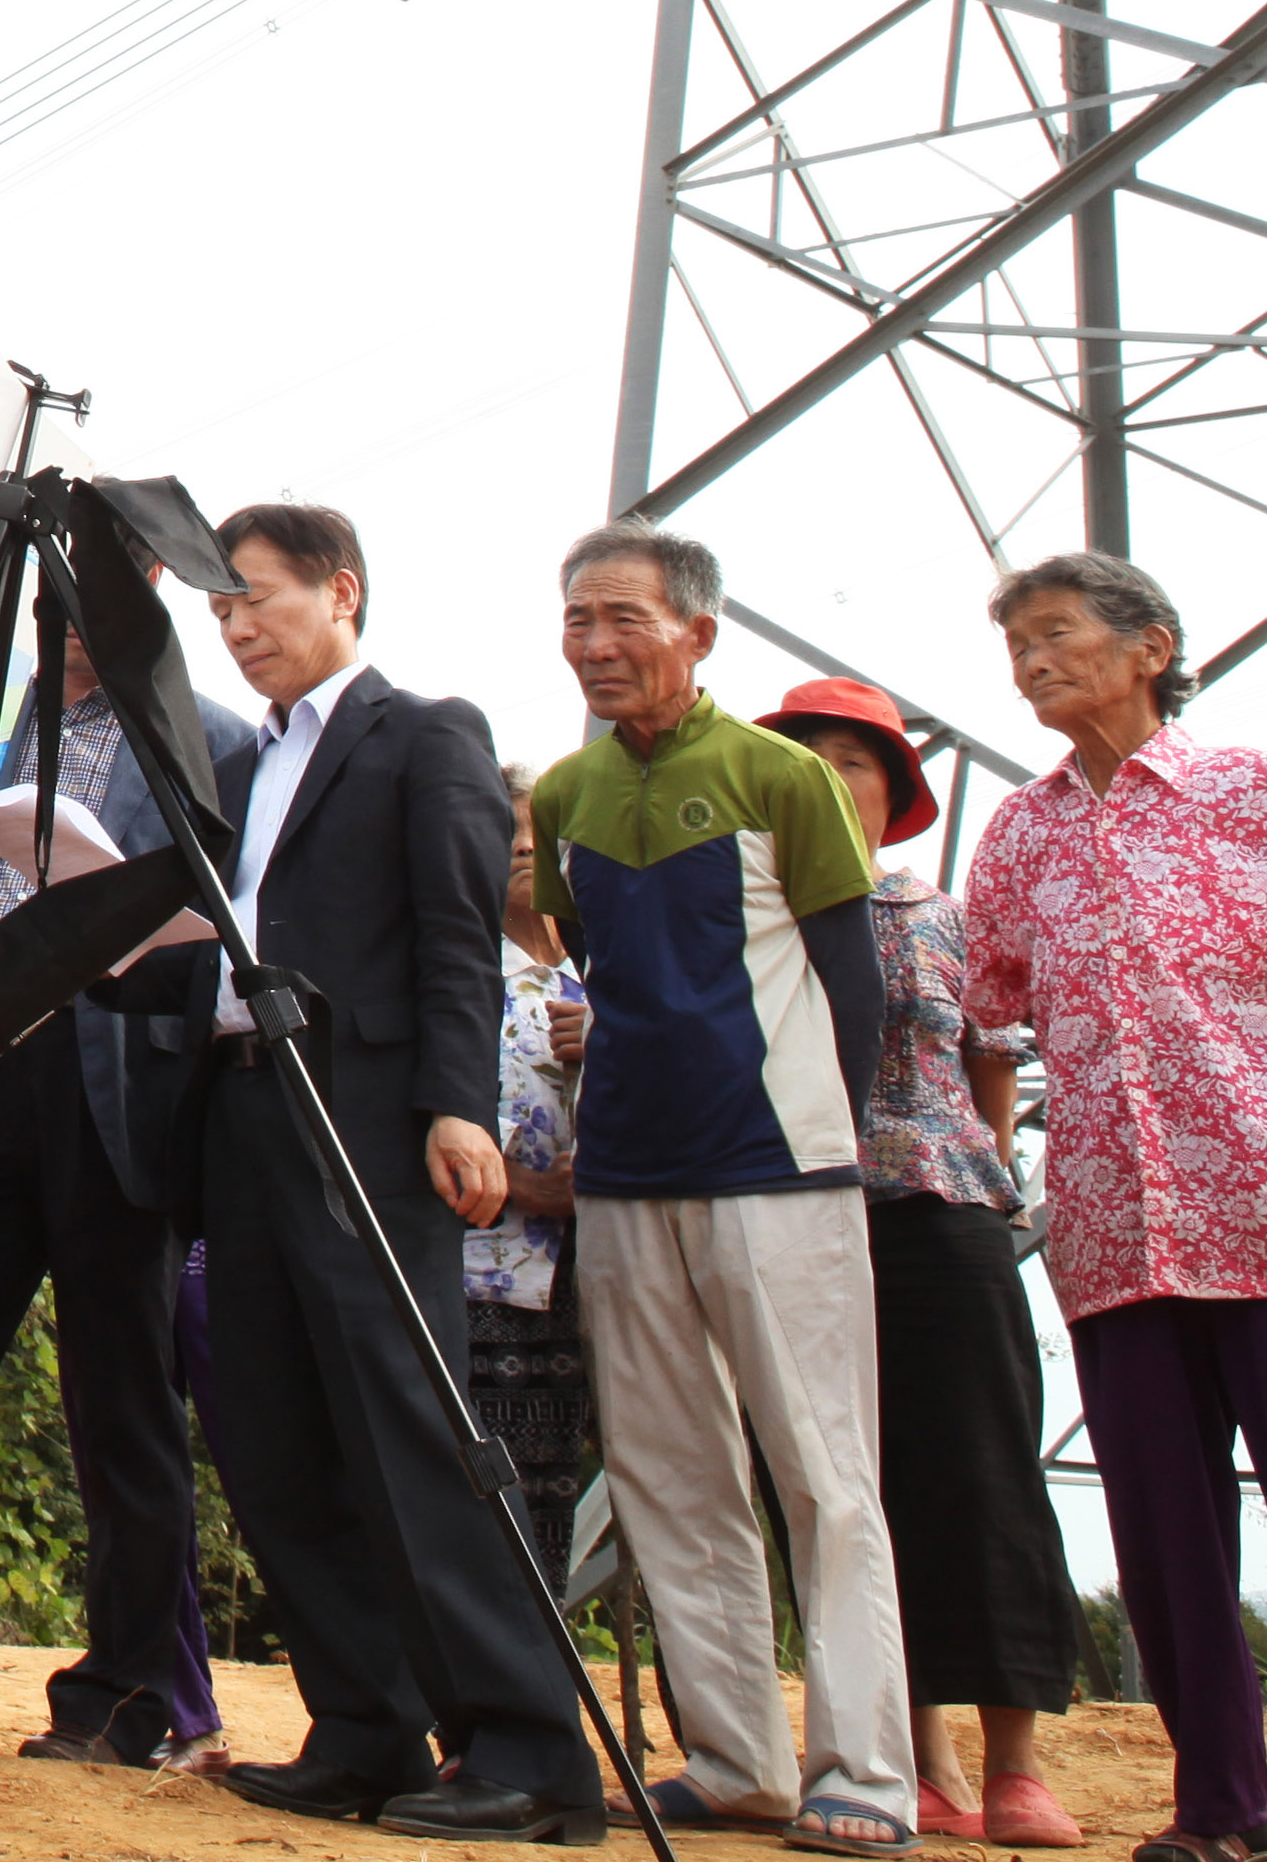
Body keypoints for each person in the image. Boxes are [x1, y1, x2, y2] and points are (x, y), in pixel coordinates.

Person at [126, 500, 599, 1843]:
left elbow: (456, 934)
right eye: (220, 608)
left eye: (259, 597)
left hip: (371, 1119)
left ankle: (527, 1747)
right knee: (272, 1430)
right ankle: (361, 1723)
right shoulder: (242, 757)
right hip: (242, 1110)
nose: (237, 626)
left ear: (343, 590)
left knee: (409, 1429)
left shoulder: (422, 731)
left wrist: (456, 1107)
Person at [527, 522, 912, 1857]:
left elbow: (849, 984)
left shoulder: (782, 774)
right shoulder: (565, 796)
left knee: (823, 1470)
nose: (595, 643)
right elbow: (599, 977)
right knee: (668, 1470)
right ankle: (741, 1759)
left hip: (776, 1171)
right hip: (627, 1175)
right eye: (577, 618)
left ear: (698, 631)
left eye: (624, 617)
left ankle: (863, 1765)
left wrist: (826, 1141)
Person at [958, 551, 1267, 1862]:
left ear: (1151, 643)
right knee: (1168, 1541)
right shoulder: (1021, 831)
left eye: (1057, 633)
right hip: (1114, 1231)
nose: (1033, 661)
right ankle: (1224, 1813)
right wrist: (993, 1168)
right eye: (1018, 644)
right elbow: (983, 1015)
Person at [0, 609, 260, 1769]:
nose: (70, 619)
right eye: (49, 593)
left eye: (95, 591)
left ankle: (133, 1693)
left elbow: (233, 925)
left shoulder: (214, 737)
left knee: (122, 1400)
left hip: (119, 1086)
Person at [759, 674, 1081, 1851]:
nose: (825, 779)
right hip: (792, 1218)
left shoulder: (944, 917)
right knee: (847, 1492)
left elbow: (993, 1066)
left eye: (852, 760)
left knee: (983, 1477)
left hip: (937, 1215)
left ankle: (1016, 1764)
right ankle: (917, 1759)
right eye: (803, 760)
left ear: (892, 791)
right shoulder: (751, 918)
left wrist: (989, 1189)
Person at [464, 772, 594, 1614]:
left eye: (539, 830)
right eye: (503, 829)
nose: (521, 845)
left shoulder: (603, 975)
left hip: (599, 1274)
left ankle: (542, 1698)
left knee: (557, 1487)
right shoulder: (461, 971)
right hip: (481, 1267)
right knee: (487, 1484)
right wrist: (530, 1186)